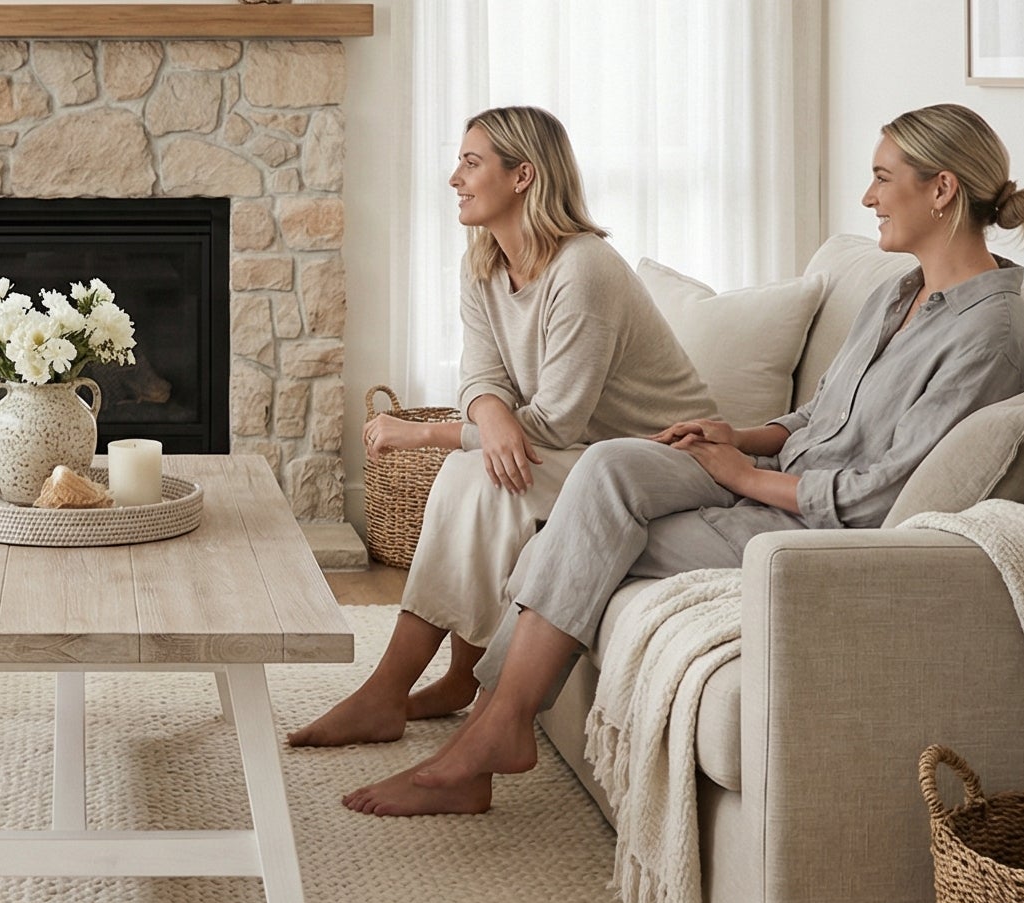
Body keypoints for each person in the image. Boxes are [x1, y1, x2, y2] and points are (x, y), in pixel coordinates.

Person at [347, 102, 1024, 816]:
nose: (868, 197)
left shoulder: (990, 335)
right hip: (769, 480)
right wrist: (737, 437)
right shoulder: (898, 293)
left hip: (813, 531)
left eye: (882, 178)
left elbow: (882, 496)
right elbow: (819, 416)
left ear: (941, 189)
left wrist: (747, 478)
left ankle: (494, 729)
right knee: (608, 468)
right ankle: (488, 722)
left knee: (571, 536)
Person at [291, 106, 710, 753]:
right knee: (480, 467)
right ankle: (447, 680)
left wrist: (422, 433)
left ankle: (389, 692)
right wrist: (487, 413)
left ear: (523, 176)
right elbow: (481, 377)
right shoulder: (482, 262)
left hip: (662, 461)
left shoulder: (585, 268)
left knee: (483, 476)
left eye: (471, 162)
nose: (454, 178)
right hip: (585, 451)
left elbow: (554, 424)